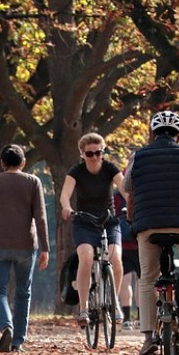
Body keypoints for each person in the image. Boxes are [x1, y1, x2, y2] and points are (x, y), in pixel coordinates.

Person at [121, 110, 179, 355]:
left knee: (148, 278)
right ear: (178, 134)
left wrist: (131, 219)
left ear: (153, 133)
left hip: (149, 225)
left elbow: (129, 190)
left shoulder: (138, 156)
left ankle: (148, 337)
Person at [0, 144, 50, 353]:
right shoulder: (33, 181)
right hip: (25, 245)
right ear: (23, 162)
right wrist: (45, 248)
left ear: (2, 163)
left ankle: (6, 325)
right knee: (23, 293)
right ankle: (17, 341)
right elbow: (40, 218)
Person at [59, 133, 125, 329]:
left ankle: (114, 303)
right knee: (86, 258)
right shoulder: (76, 171)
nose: (95, 157)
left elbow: (125, 188)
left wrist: (132, 204)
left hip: (108, 220)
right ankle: (84, 308)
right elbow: (65, 194)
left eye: (99, 153)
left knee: (116, 259)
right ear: (82, 154)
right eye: (90, 154)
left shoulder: (110, 168)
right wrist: (66, 207)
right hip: (84, 221)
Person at [114, 191, 139, 329]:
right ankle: (142, 318)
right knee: (143, 282)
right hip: (140, 243)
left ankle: (127, 319)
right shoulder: (141, 191)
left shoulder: (117, 197)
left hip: (122, 244)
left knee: (125, 282)